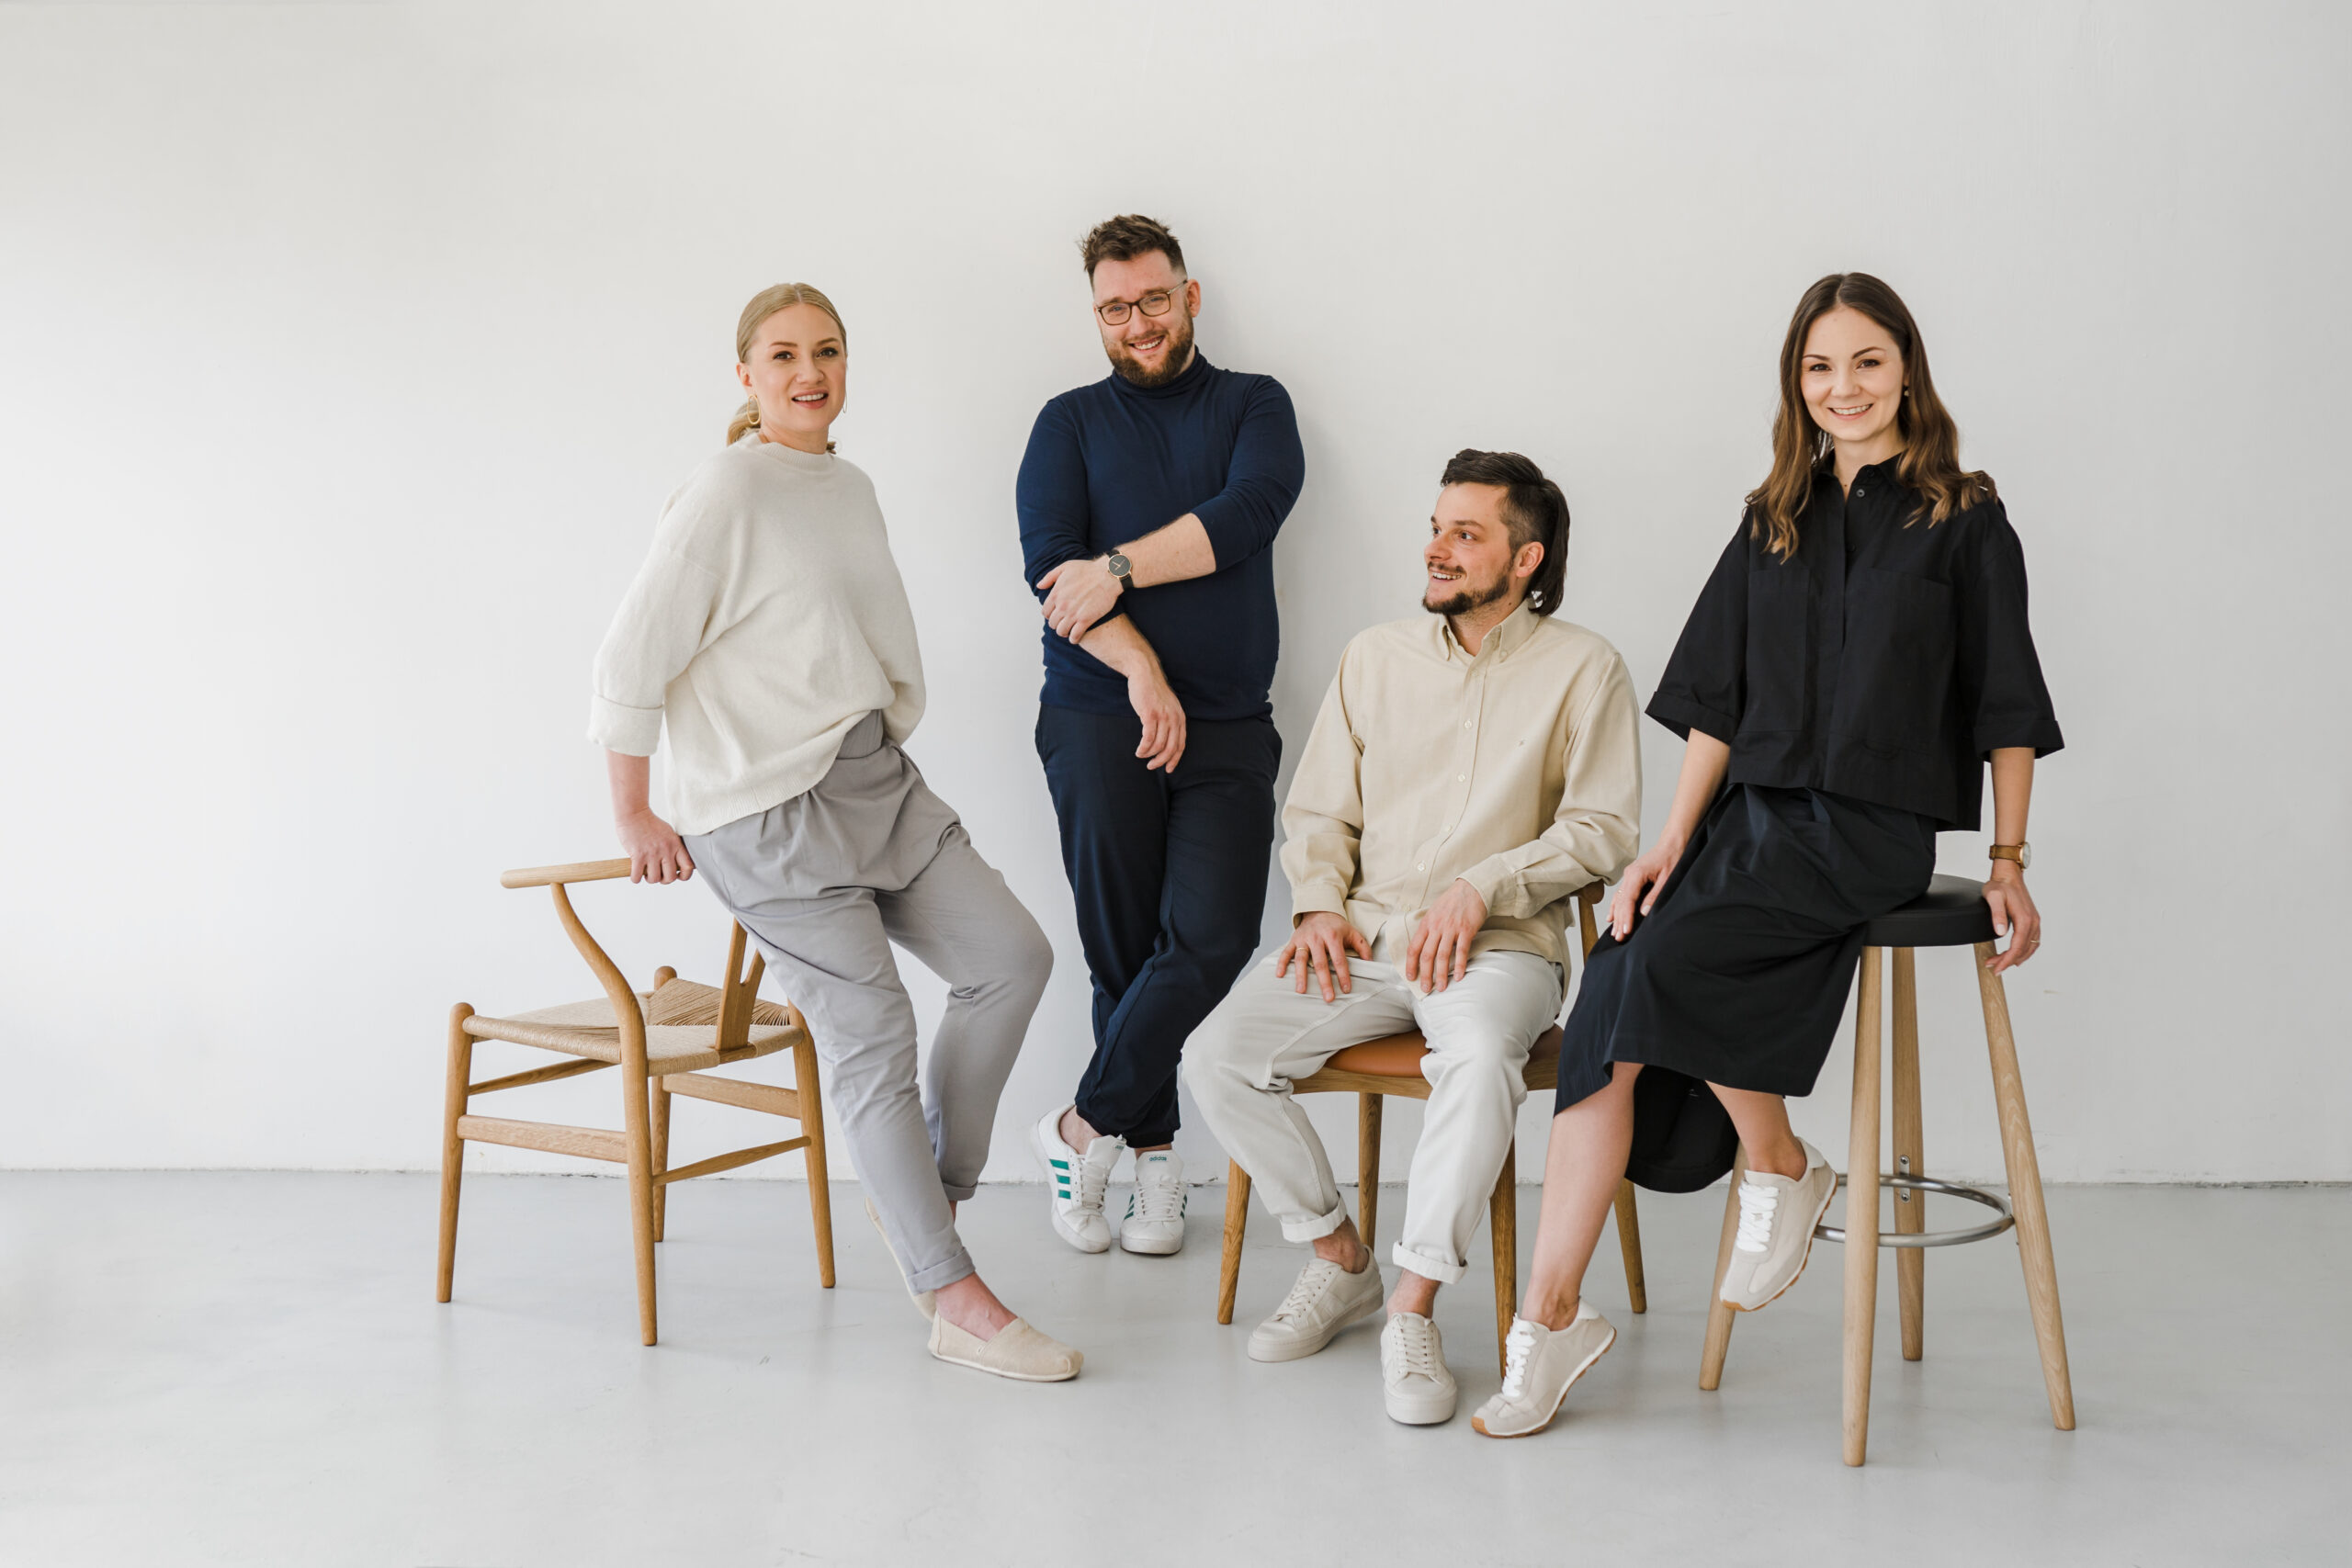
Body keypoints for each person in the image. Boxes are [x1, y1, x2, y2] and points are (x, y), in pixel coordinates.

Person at [1473, 273, 2063, 1438]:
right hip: (1749, 821)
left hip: (1867, 829)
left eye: (1867, 362)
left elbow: (2006, 702)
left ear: (1907, 370)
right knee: (1618, 973)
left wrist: (2008, 857)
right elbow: (1716, 706)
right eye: (1819, 367)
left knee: (1658, 967)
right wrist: (1666, 845)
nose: (1844, 388)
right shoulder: (1771, 520)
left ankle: (1778, 1159)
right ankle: (1549, 1322)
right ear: (1796, 384)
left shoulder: (1964, 519)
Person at [589, 283, 1080, 1382]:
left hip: (874, 780)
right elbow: (629, 657)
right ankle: (951, 1295)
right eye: (782, 355)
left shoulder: (848, 487)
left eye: (827, 351)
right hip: (764, 809)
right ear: (746, 374)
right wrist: (633, 812)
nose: (808, 372)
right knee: (873, 1036)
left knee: (1012, 959)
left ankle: (924, 1192)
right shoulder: (725, 489)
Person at [1185, 450, 1642, 1426]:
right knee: (1215, 1053)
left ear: (1525, 558)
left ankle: (1411, 1306)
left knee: (1476, 1060)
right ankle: (1338, 1257)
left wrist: (1485, 884)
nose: (1437, 549)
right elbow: (1319, 810)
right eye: (1436, 528)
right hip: (1362, 939)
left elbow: (1604, 829)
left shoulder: (1586, 667)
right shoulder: (1374, 656)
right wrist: (1318, 906)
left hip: (1499, 948)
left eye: (1465, 534)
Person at [1017, 214, 1305, 1257]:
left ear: (1189, 296)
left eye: (1152, 299)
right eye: (1114, 308)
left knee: (1212, 939)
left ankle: (1078, 1125)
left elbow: (1249, 512)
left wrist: (1121, 567)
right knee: (1122, 949)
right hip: (1099, 714)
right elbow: (1052, 573)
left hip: (1227, 721)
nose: (1136, 322)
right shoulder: (1067, 423)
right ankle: (1151, 1158)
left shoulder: (1253, 404)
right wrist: (1141, 669)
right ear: (1096, 315)